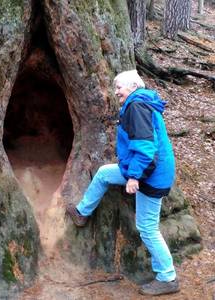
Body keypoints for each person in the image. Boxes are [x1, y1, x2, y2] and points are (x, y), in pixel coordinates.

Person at [65, 70, 180, 296]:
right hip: (145, 170)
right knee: (104, 174)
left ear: (134, 87)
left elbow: (146, 149)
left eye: (119, 87)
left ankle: (168, 277)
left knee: (147, 228)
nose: (115, 91)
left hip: (150, 175)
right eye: (115, 87)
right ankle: (82, 212)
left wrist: (135, 177)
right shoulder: (139, 103)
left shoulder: (137, 107)